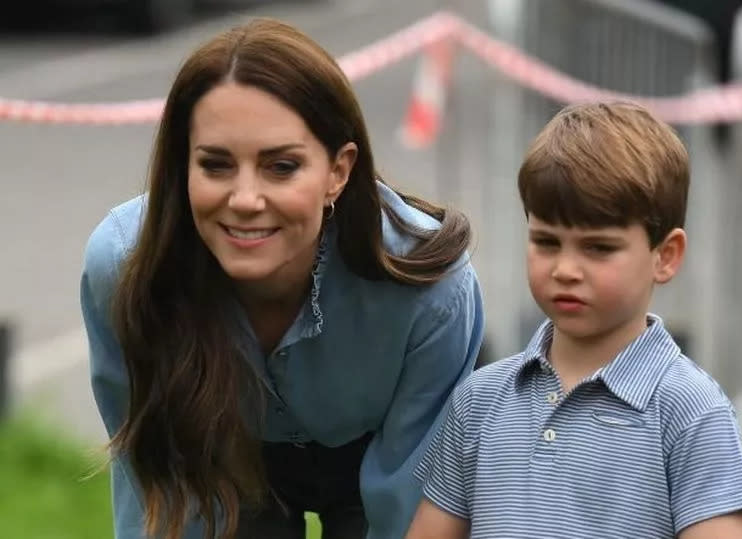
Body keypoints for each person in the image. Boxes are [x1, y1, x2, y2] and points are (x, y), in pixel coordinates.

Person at [80, 17, 484, 539]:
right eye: (216, 165)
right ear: (183, 166)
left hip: (382, 457)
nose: (245, 200)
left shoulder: (431, 286)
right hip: (223, 461)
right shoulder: (124, 266)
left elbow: (412, 502)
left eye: (281, 167)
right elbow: (159, 486)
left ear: (338, 171)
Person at [407, 102, 742, 539]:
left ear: (665, 256)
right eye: (546, 241)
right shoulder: (479, 402)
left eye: (598, 247)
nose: (566, 269)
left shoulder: (690, 412)